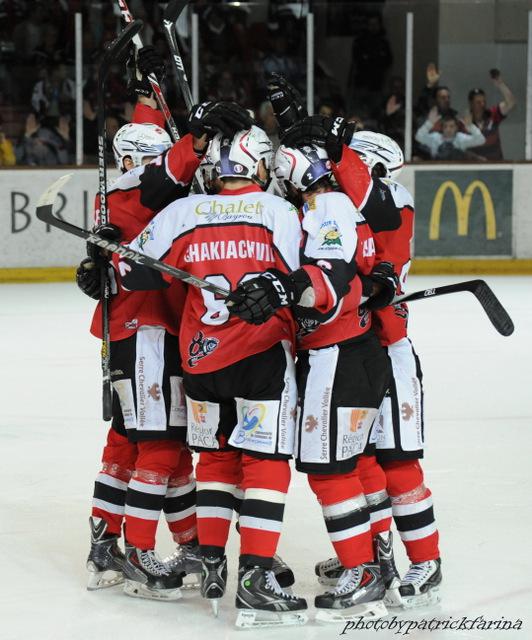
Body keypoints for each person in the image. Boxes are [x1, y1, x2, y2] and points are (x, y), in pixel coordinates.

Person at [76, 47, 254, 599]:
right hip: (145, 335)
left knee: (144, 441)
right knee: (158, 444)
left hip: (148, 335)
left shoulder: (135, 185)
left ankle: (139, 542)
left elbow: (152, 151)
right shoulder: (136, 195)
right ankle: (137, 552)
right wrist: (194, 140)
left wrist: (147, 89)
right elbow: (161, 176)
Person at [122, 125, 308, 629]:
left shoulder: (183, 212)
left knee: (217, 459)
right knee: (265, 462)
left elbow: (129, 270)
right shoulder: (278, 212)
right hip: (261, 354)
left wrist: (110, 254)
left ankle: (209, 559)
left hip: (200, 360)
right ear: (259, 165)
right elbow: (308, 280)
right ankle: (255, 579)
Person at [230, 141, 394, 623]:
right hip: (350, 353)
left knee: (329, 470)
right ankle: (369, 561)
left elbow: (330, 277)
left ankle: (363, 572)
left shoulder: (327, 206)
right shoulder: (339, 205)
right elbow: (361, 272)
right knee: (345, 465)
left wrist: (281, 286)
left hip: (338, 355)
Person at [285, 119, 443, 608]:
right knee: (362, 460)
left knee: (398, 464)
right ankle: (374, 555)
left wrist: (338, 154)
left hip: (389, 351)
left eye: (349, 159)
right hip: (359, 349)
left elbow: (375, 227)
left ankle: (427, 560)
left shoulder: (392, 201)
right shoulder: (346, 207)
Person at [467, 69, 516, 160]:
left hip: (496, 164)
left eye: (484, 101)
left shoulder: (493, 114)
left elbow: (511, 103)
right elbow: (460, 146)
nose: (482, 104)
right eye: (478, 102)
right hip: (475, 166)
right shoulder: (465, 122)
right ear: (471, 104)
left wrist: (500, 84)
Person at [415, 107, 485, 160]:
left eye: (451, 126)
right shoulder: (435, 138)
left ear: (456, 128)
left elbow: (481, 140)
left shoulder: (461, 138)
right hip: (437, 170)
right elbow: (418, 137)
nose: (448, 129)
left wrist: (470, 126)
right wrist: (429, 123)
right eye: (445, 126)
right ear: (442, 128)